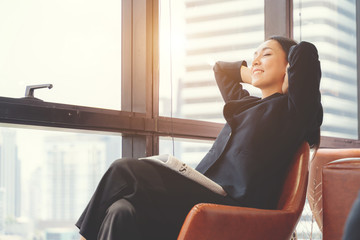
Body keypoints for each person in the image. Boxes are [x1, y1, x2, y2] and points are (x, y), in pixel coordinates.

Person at [76, 36, 323, 240]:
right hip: (200, 194)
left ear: (290, 66)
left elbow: (306, 51)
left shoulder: (293, 111)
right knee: (121, 210)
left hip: (229, 205)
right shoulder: (245, 105)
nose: (256, 59)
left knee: (123, 169)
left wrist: (287, 75)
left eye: (266, 54)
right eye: (254, 55)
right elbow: (221, 70)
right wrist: (257, 70)